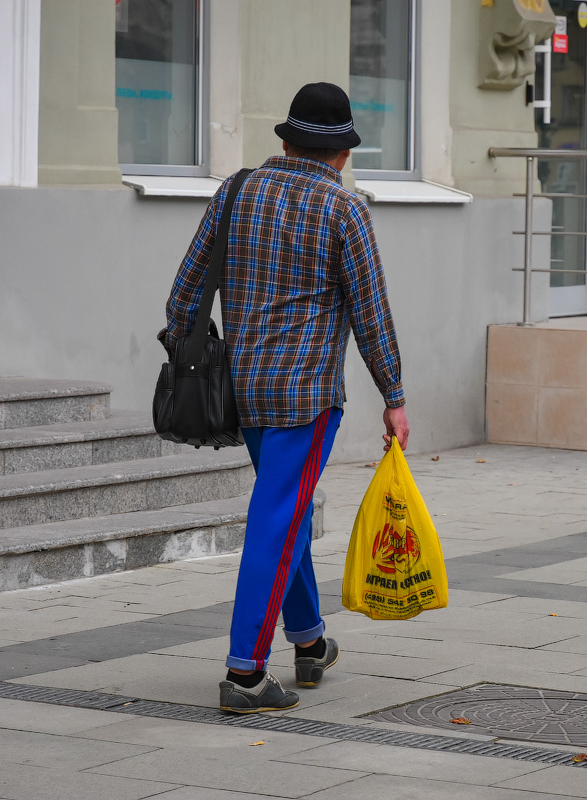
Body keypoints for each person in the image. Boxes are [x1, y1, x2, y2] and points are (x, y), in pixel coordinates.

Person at [159, 82, 409, 713]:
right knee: (276, 521)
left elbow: (186, 290)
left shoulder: (237, 191)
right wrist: (394, 395)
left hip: (242, 391)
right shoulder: (344, 211)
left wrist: (187, 348)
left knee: (284, 513)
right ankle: (245, 673)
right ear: (343, 153)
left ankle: (308, 641)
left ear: (284, 141)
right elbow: (371, 315)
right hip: (305, 399)